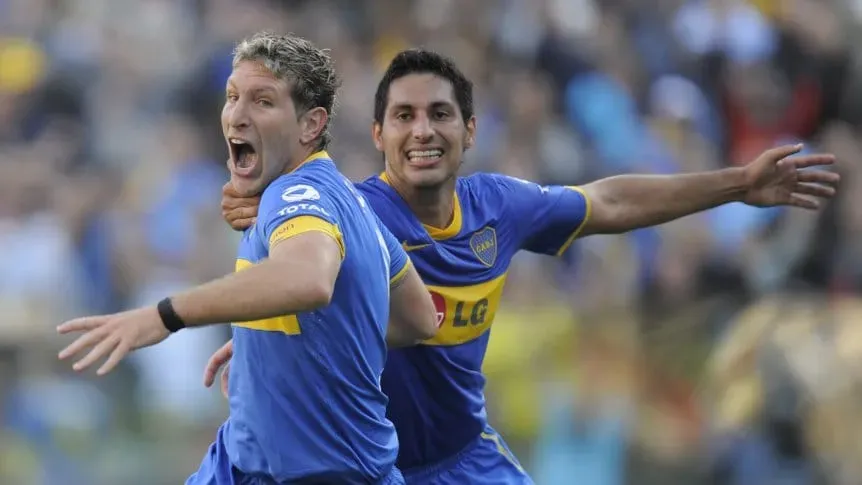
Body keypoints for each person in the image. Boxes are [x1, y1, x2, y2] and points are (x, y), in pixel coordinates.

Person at [211, 49, 840, 484]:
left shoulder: (499, 208)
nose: (422, 131)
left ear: (471, 130)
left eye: (439, 114)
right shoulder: (348, 213)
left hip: (464, 461)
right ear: (377, 134)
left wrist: (736, 184)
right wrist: (261, 345)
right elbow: (295, 270)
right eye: (403, 116)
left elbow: (608, 201)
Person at [57, 34, 438, 485]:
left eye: (262, 102)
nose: (237, 115)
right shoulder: (352, 204)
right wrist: (277, 336)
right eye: (233, 97)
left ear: (310, 125)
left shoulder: (296, 193)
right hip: (249, 461)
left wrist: (166, 315)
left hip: (315, 473)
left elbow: (307, 279)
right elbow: (420, 318)